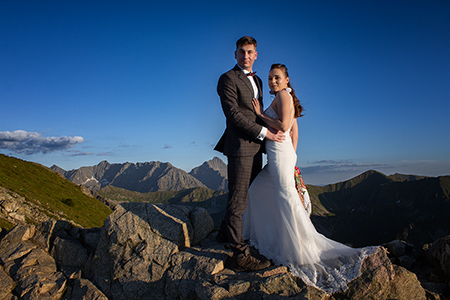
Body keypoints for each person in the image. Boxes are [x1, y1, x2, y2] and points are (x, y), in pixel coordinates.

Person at [243, 63, 378, 293]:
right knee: (258, 190)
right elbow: (294, 129)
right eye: (270, 78)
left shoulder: (284, 95)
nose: (272, 82)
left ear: (286, 80)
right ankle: (267, 238)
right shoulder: (287, 96)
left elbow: (284, 125)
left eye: (277, 78)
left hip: (279, 157)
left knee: (285, 198)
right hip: (281, 156)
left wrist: (260, 115)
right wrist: (292, 155)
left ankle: (296, 250)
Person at [214, 36, 285, 271]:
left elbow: (256, 112)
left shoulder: (259, 82)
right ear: (235, 54)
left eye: (250, 52)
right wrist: (266, 133)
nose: (246, 56)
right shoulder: (227, 79)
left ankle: (225, 233)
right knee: (238, 201)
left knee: (247, 195)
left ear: (256, 55)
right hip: (241, 147)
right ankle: (240, 256)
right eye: (241, 52)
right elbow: (233, 114)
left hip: (256, 147)